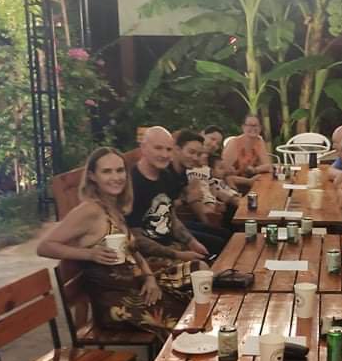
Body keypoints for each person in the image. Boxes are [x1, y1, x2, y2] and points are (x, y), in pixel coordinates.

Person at [37, 147, 197, 342]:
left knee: (198, 274)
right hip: (117, 304)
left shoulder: (114, 207)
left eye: (120, 170)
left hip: (137, 287)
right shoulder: (90, 210)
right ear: (92, 177)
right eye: (107, 171)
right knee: (189, 315)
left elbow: (133, 250)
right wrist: (89, 254)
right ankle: (181, 356)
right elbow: (44, 246)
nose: (116, 177)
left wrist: (149, 278)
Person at [126, 125, 211, 263]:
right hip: (148, 258)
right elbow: (136, 238)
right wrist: (178, 255)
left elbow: (171, 216)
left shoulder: (166, 176)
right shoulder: (132, 183)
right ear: (143, 148)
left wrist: (192, 242)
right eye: (158, 148)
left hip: (172, 246)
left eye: (168, 149)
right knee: (203, 267)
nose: (165, 155)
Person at [168, 129, 231, 254]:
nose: (195, 158)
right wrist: (185, 200)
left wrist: (207, 219)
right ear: (177, 149)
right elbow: (168, 207)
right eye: (191, 152)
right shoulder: (166, 173)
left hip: (179, 222)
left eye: (198, 154)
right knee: (219, 243)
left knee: (227, 234)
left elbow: (194, 198)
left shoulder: (183, 172)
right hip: (167, 227)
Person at [221, 113, 272, 190]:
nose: (253, 128)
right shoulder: (234, 143)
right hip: (232, 185)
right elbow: (222, 171)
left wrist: (254, 170)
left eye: (256, 125)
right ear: (243, 127)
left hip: (250, 181)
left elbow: (268, 166)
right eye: (249, 125)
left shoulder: (259, 141)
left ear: (260, 128)